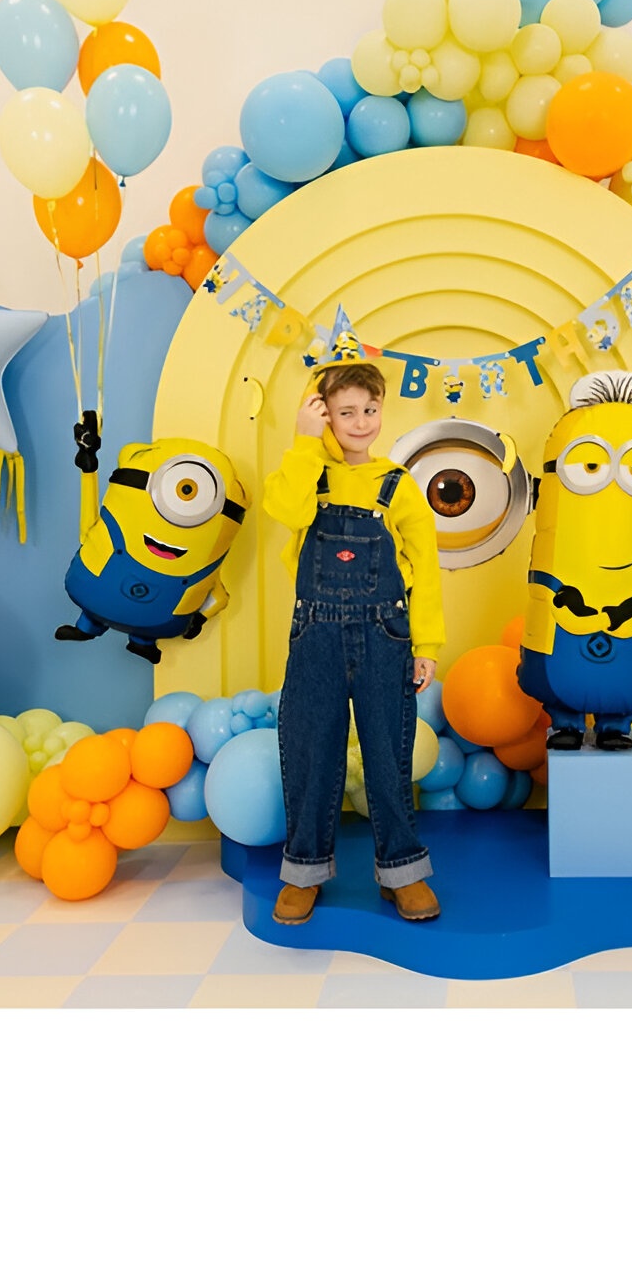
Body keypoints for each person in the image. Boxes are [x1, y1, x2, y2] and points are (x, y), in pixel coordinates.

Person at [263, 360, 445, 926]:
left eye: (370, 409)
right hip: (315, 632)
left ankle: (402, 870)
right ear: (321, 415)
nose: (361, 422)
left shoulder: (397, 483)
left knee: (388, 753)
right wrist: (303, 441)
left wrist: (427, 644)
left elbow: (426, 569)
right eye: (345, 412)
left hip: (385, 633)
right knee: (311, 750)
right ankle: (304, 871)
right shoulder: (304, 472)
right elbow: (285, 511)